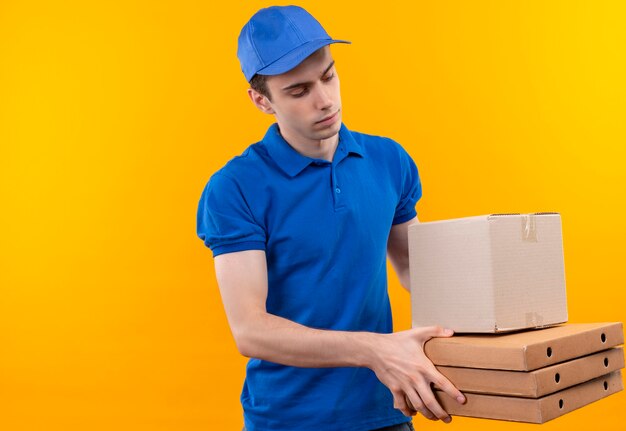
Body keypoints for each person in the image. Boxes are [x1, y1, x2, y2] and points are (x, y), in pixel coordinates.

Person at [196, 5, 465, 431]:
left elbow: (417, 268)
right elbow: (250, 330)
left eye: (328, 76)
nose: (325, 100)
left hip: (387, 409)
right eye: (299, 91)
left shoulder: (388, 160)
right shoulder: (235, 187)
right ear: (262, 101)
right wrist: (374, 350)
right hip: (289, 419)